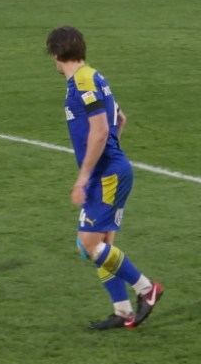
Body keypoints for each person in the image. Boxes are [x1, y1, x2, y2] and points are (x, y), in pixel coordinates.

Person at [46, 26, 164, 331]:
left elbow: (100, 130)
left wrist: (84, 177)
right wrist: (111, 154)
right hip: (114, 170)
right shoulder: (94, 76)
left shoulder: (82, 81)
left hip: (106, 174)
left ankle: (146, 289)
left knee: (88, 244)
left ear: (56, 53)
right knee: (101, 244)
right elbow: (120, 118)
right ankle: (122, 311)